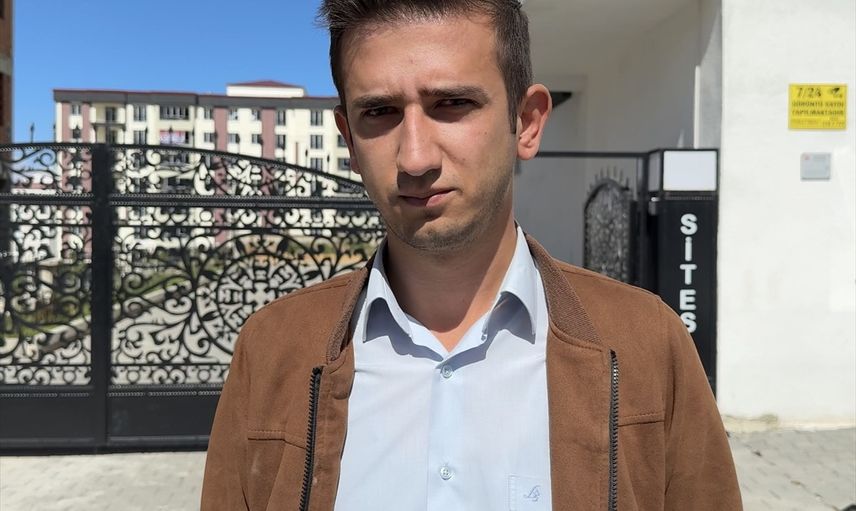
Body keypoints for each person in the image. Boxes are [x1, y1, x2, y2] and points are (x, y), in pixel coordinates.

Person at [201, 1, 742, 509]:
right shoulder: (274, 349)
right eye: (380, 112)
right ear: (348, 139)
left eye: (452, 104)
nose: (415, 158)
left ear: (526, 122)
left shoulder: (646, 344)